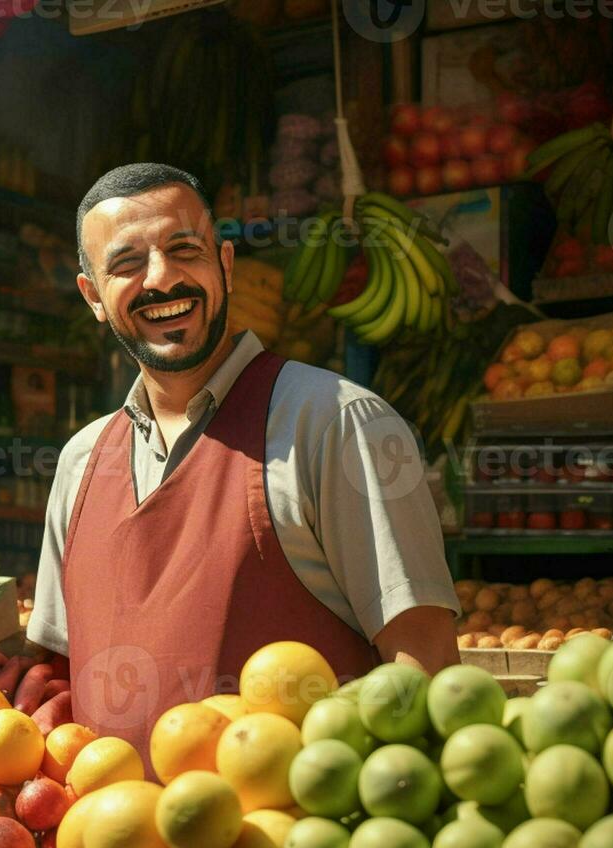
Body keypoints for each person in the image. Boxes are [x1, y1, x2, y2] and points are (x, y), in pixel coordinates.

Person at [27, 163, 459, 764]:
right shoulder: (79, 462)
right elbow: (63, 679)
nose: (162, 279)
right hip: (111, 845)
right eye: (126, 264)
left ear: (225, 265)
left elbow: (426, 664)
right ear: (94, 296)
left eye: (185, 250)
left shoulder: (335, 424)